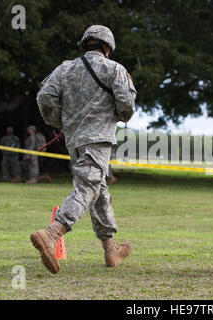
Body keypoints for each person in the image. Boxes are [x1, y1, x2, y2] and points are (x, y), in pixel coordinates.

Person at [31, 25, 136, 274]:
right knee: (88, 188)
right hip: (98, 139)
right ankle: (52, 233)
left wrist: (61, 121)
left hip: (75, 141)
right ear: (107, 48)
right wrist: (114, 116)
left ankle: (111, 250)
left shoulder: (65, 69)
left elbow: (44, 98)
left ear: (84, 45)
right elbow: (127, 107)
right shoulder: (114, 69)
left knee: (98, 192)